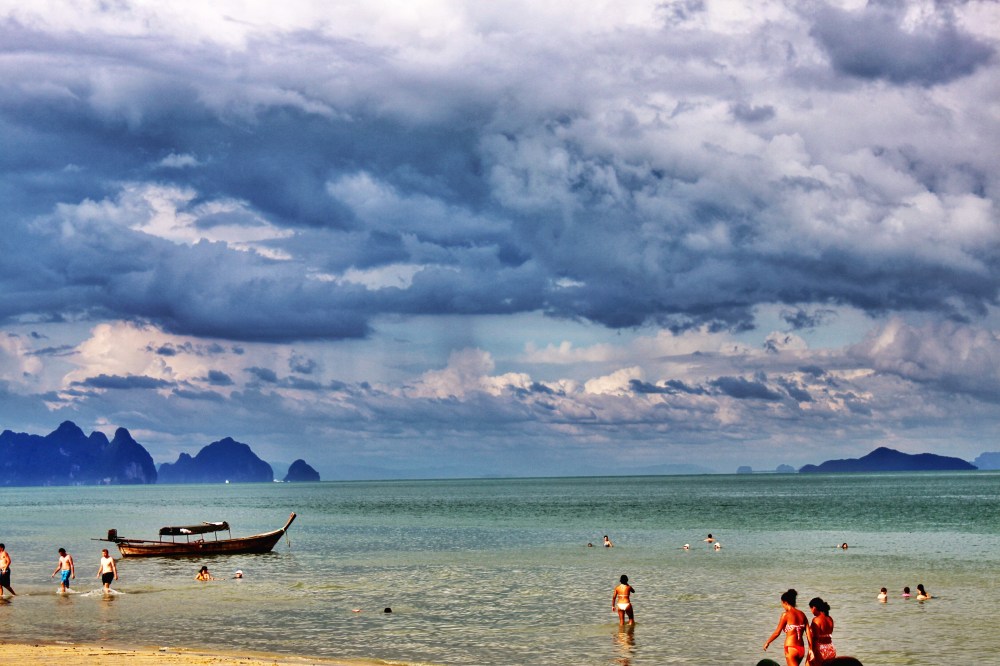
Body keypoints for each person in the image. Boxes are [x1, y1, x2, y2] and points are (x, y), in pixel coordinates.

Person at [763, 588, 808, 666]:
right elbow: (808, 633)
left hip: (791, 648)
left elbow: (777, 632)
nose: (782, 606)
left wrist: (768, 642)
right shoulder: (802, 614)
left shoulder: (785, 615)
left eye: (782, 603)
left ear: (785, 602)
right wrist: (811, 648)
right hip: (801, 648)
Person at [807, 597, 836, 664]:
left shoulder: (816, 620)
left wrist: (812, 651)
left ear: (814, 607)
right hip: (831, 648)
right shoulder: (830, 619)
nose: (811, 611)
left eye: (811, 609)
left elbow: (815, 638)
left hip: (820, 649)